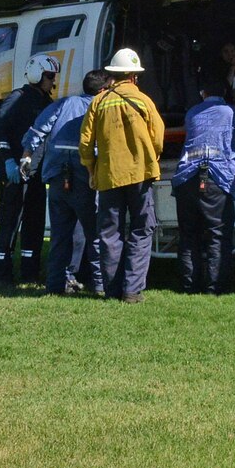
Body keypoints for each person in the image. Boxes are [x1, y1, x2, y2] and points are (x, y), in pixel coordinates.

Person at [78, 47, 165, 303]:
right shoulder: (143, 101)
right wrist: (150, 158)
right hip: (140, 177)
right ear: (134, 76)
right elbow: (157, 138)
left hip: (108, 178)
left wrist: (92, 169)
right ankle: (132, 291)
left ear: (112, 75)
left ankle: (112, 290)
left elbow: (85, 143)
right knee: (141, 230)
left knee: (109, 234)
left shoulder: (99, 102)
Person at [24, 67, 109, 295]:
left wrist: (26, 156)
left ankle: (55, 285)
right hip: (84, 178)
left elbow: (38, 130)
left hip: (57, 178)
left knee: (60, 236)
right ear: (102, 89)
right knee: (95, 236)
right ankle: (101, 286)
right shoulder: (101, 107)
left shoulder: (63, 104)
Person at [0, 53, 59, 284]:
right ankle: (2, 273)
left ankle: (30, 271)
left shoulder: (45, 102)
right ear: (37, 74)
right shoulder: (17, 98)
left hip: (36, 174)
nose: (52, 81)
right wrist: (8, 159)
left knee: (35, 222)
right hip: (15, 173)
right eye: (49, 76)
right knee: (10, 222)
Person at [171, 63, 235, 294]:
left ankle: (188, 286)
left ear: (203, 93)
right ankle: (215, 287)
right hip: (216, 177)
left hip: (186, 177)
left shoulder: (192, 113)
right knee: (217, 235)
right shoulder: (232, 113)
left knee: (188, 235)